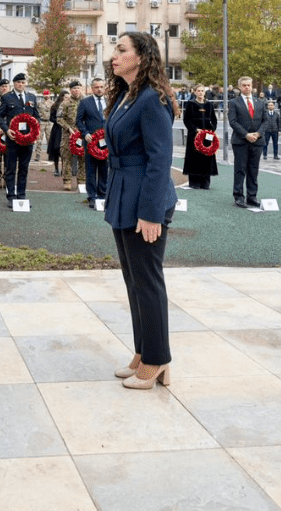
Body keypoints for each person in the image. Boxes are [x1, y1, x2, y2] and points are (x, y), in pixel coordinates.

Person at [101, 32, 178, 389]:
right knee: (133, 282)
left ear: (141, 57)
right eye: (115, 50)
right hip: (122, 195)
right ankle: (143, 350)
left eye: (121, 50)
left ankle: (158, 359)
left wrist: (150, 213)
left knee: (147, 281)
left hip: (144, 201)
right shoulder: (126, 95)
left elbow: (160, 161)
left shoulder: (152, 99)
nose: (114, 56)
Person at [0, 72, 39, 208]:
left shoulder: (32, 97)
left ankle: (22, 195)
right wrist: (6, 129)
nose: (21, 85)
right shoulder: (7, 97)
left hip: (28, 140)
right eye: (19, 82)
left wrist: (35, 131)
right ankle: (11, 196)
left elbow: (36, 116)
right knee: (11, 168)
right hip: (13, 139)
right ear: (14, 84)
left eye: (23, 82)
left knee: (24, 168)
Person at [227, 76, 264, 208]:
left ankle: (252, 196)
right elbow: (233, 122)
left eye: (249, 85)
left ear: (252, 86)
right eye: (244, 85)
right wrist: (246, 135)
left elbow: (265, 121)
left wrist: (258, 134)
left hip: (257, 141)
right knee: (240, 169)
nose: (247, 87)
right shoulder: (234, 102)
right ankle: (238, 196)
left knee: (253, 170)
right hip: (241, 141)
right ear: (239, 87)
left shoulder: (260, 102)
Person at [76, 77, 110, 206]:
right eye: (97, 87)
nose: (99, 89)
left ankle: (103, 194)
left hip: (106, 142)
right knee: (91, 169)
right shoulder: (85, 102)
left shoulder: (110, 101)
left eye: (101, 87)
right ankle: (92, 196)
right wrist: (85, 133)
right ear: (92, 88)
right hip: (91, 141)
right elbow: (79, 121)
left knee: (104, 168)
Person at [181, 84, 218, 189]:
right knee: (194, 158)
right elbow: (186, 120)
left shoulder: (209, 105)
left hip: (207, 136)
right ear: (195, 92)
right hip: (194, 135)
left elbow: (214, 120)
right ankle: (194, 182)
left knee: (206, 157)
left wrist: (211, 130)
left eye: (202, 91)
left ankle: (205, 182)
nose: (201, 92)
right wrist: (196, 130)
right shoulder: (190, 104)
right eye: (199, 91)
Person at [58, 81, 84, 191]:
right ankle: (67, 180)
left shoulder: (86, 102)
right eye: (74, 88)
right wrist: (68, 128)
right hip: (68, 134)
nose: (76, 90)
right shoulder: (65, 103)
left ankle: (82, 181)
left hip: (82, 134)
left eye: (78, 88)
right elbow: (59, 118)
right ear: (70, 90)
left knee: (83, 158)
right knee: (66, 157)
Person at [47, 89, 68, 176]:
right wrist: (59, 121)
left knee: (65, 150)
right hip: (57, 129)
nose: (67, 98)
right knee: (56, 149)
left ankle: (64, 169)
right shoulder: (55, 106)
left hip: (66, 129)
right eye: (66, 97)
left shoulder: (70, 105)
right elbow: (51, 118)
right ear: (62, 97)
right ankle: (56, 169)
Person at [34, 89, 53, 162]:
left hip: (49, 122)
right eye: (45, 94)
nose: (46, 95)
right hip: (41, 122)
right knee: (39, 140)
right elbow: (36, 112)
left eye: (47, 94)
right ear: (43, 94)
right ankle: (37, 155)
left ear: (49, 94)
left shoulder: (52, 103)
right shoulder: (39, 103)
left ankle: (50, 155)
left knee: (49, 140)